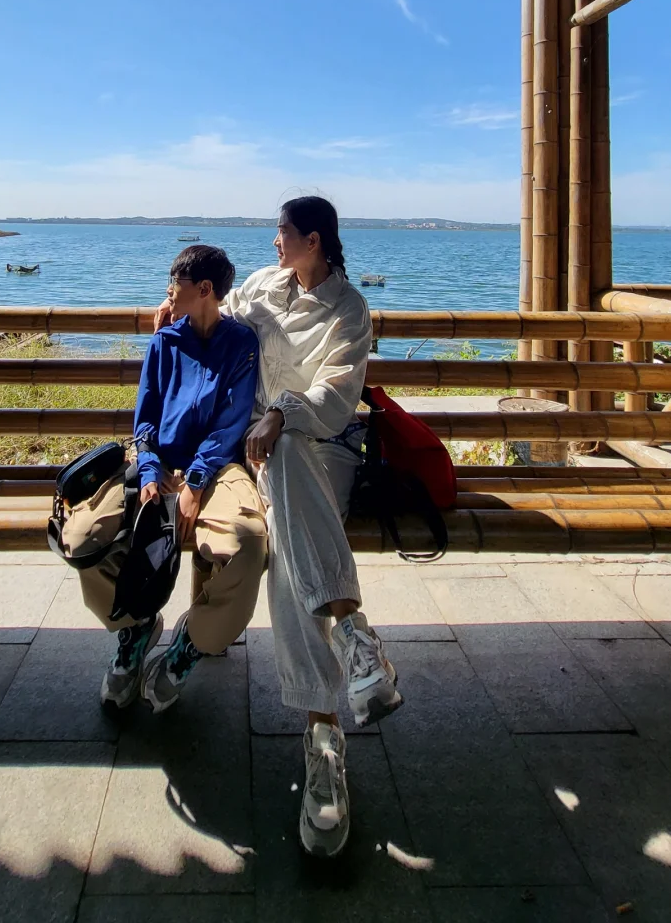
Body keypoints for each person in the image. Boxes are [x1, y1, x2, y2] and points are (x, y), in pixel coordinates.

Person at [224, 197, 402, 858]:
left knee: (284, 540)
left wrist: (282, 414)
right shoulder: (263, 289)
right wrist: (171, 303)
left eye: (283, 234)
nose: (273, 243)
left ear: (313, 240)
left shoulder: (349, 309)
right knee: (284, 496)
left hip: (324, 449)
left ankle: (323, 737)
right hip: (264, 451)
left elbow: (335, 395)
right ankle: (353, 641)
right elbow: (220, 312)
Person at [62, 244, 266, 714]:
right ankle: (134, 626)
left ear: (206, 290)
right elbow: (146, 418)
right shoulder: (164, 342)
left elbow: (231, 424)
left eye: (175, 288)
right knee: (82, 536)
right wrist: (151, 470)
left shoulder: (241, 344)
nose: (168, 296)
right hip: (156, 463)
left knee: (250, 544)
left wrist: (194, 484)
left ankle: (190, 644)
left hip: (215, 469)